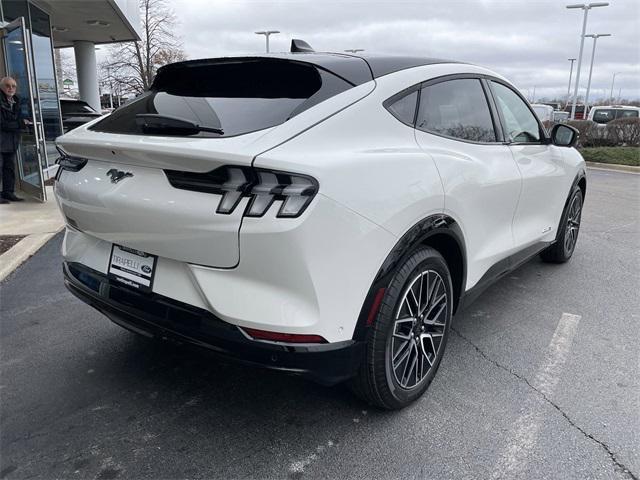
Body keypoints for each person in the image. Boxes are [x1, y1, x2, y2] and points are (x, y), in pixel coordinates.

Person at [0, 76, 25, 203]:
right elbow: (2, 123)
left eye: (13, 86)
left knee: (9, 168)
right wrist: (19, 124)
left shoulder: (16, 101)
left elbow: (19, 119)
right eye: (7, 86)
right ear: (2, 87)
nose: (10, 88)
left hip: (12, 141)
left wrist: (19, 123)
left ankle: (8, 192)